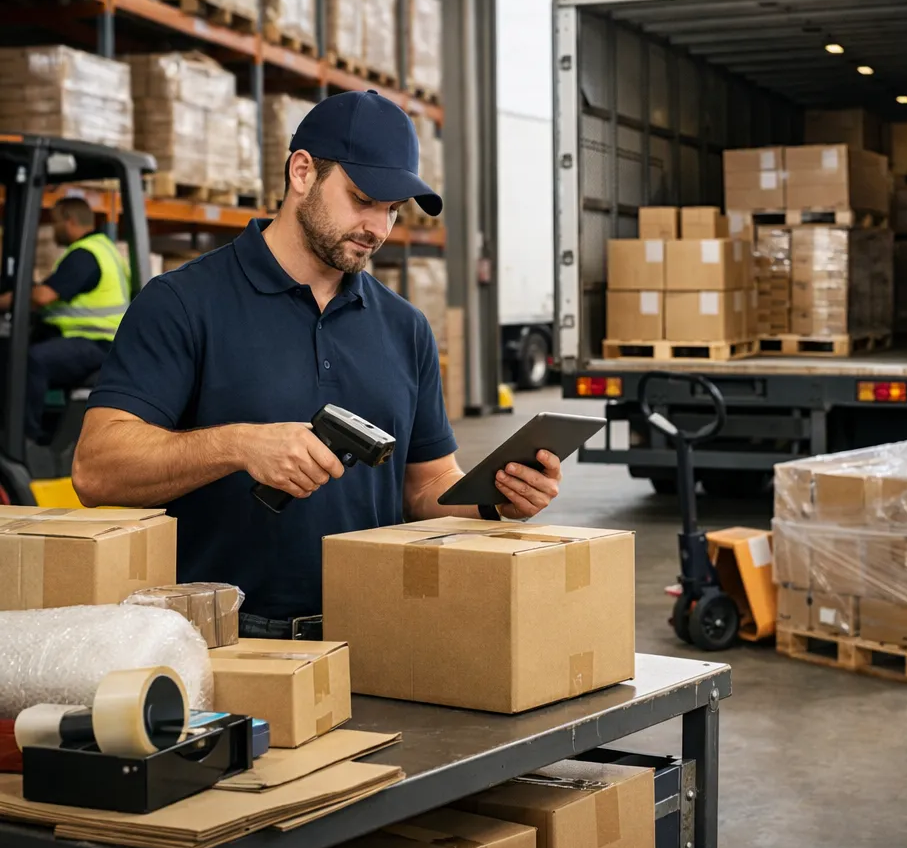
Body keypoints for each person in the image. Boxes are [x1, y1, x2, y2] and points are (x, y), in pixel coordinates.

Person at [72, 90, 562, 640]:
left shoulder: (406, 327)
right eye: (362, 199)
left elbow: (426, 486)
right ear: (302, 171)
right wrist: (238, 445)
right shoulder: (184, 303)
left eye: (392, 210)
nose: (378, 228)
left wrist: (496, 499)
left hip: (374, 631)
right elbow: (96, 470)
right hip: (225, 638)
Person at [0, 196, 129, 442]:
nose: (53, 229)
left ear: (69, 221)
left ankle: (25, 440)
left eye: (55, 222)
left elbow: (43, 296)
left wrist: (5, 301)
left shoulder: (85, 254)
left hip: (96, 343)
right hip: (96, 340)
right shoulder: (103, 248)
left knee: (31, 360)